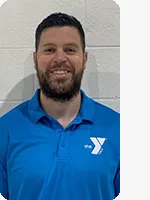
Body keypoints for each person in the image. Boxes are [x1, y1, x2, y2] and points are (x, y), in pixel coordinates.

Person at [0, 12, 120, 200]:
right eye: (49, 50)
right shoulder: (5, 129)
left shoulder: (118, 128)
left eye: (70, 50)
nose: (60, 58)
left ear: (85, 59)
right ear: (35, 59)